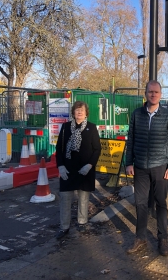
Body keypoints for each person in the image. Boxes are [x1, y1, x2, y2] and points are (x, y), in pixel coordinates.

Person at [125, 80, 168, 256]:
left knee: (161, 203)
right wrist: (129, 162)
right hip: (140, 166)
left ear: (160, 95)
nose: (153, 94)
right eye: (150, 92)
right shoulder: (136, 114)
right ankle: (140, 237)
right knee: (140, 203)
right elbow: (131, 140)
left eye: (156, 92)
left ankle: (163, 239)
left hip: (160, 166)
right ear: (145, 94)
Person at [55, 101, 101, 239]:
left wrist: (90, 165)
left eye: (82, 110)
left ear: (86, 112)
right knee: (65, 198)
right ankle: (64, 227)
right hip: (68, 170)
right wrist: (60, 166)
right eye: (77, 110)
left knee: (83, 198)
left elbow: (97, 149)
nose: (79, 112)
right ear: (73, 112)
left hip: (85, 169)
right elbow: (59, 149)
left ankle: (82, 223)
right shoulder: (65, 127)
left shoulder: (92, 128)